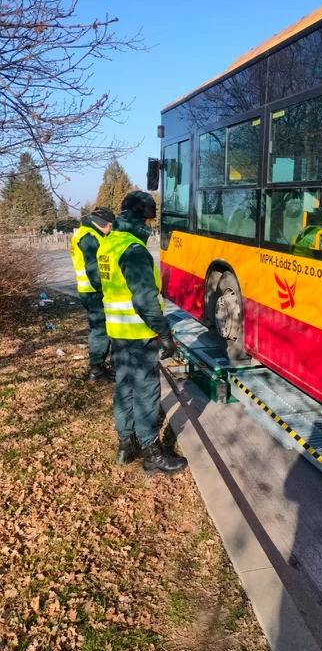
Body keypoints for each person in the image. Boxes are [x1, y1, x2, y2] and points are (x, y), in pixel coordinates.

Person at [96, 191, 188, 476]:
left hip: (117, 332)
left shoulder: (108, 245)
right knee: (146, 392)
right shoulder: (133, 250)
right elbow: (146, 300)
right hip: (139, 334)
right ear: (144, 218)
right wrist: (165, 335)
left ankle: (126, 446)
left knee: (123, 388)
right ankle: (151, 453)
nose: (151, 224)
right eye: (150, 218)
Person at [70, 207, 115, 382]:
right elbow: (93, 270)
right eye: (110, 226)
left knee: (99, 329)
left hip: (88, 291)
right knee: (100, 330)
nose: (111, 229)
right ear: (103, 223)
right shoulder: (89, 237)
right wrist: (106, 290)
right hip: (95, 292)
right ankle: (96, 371)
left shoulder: (84, 232)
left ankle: (98, 367)